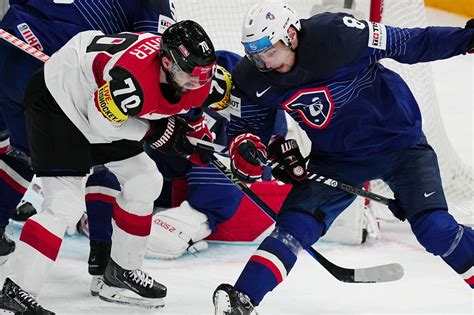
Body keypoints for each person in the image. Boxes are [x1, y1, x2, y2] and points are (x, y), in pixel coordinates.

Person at [212, 1, 474, 313]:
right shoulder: (253, 76)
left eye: (270, 52)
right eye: (256, 55)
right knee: (293, 226)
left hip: (401, 146)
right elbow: (248, 129)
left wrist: (465, 40)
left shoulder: (339, 34)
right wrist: (257, 150)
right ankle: (241, 300)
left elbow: (410, 41)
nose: (265, 63)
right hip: (336, 160)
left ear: (291, 34)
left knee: (434, 229)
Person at [0, 19, 217, 313]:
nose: (197, 83)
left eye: (204, 76)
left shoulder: (195, 74)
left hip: (99, 100)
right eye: (191, 76)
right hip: (59, 99)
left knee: (145, 179)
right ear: (167, 62)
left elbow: (196, 105)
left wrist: (197, 133)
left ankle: (120, 275)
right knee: (65, 203)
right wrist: (157, 133)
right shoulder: (132, 80)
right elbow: (101, 125)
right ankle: (17, 288)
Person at [0, 0, 176, 261]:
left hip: (10, 41)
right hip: (49, 67)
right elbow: (158, 59)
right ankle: (102, 254)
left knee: (20, 150)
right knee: (107, 150)